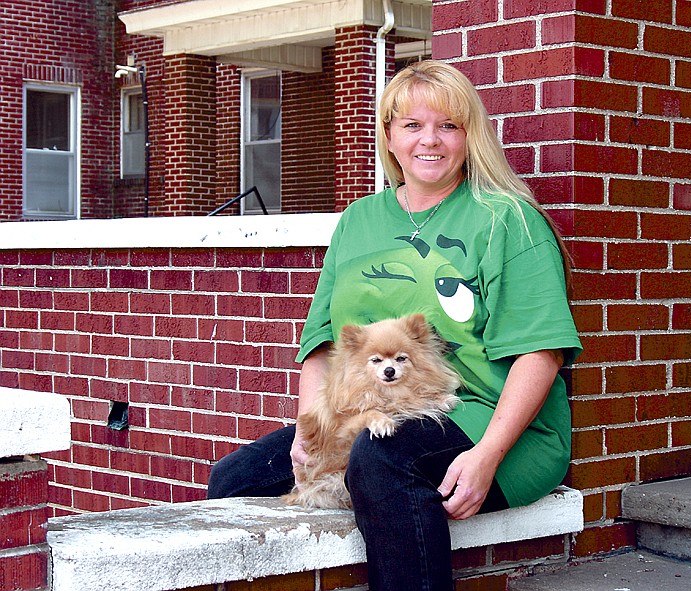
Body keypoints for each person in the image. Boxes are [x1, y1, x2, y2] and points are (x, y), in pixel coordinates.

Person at [208, 60, 582, 591]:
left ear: (469, 135)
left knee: (382, 459)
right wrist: (310, 429)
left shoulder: (507, 220)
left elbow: (541, 352)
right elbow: (321, 344)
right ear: (388, 135)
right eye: (412, 125)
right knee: (236, 478)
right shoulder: (360, 219)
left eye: (448, 125)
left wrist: (486, 456)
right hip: (369, 412)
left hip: (486, 419)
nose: (429, 140)